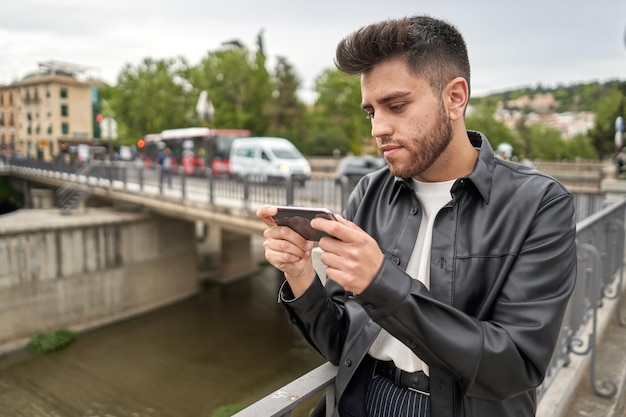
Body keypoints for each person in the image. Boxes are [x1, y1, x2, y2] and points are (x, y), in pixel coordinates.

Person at [256, 15, 576, 417]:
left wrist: (381, 283)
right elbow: (341, 343)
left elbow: (514, 366)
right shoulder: (369, 193)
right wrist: (301, 274)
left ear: (455, 97)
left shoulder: (540, 204)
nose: (378, 128)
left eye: (396, 105)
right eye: (371, 111)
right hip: (362, 398)